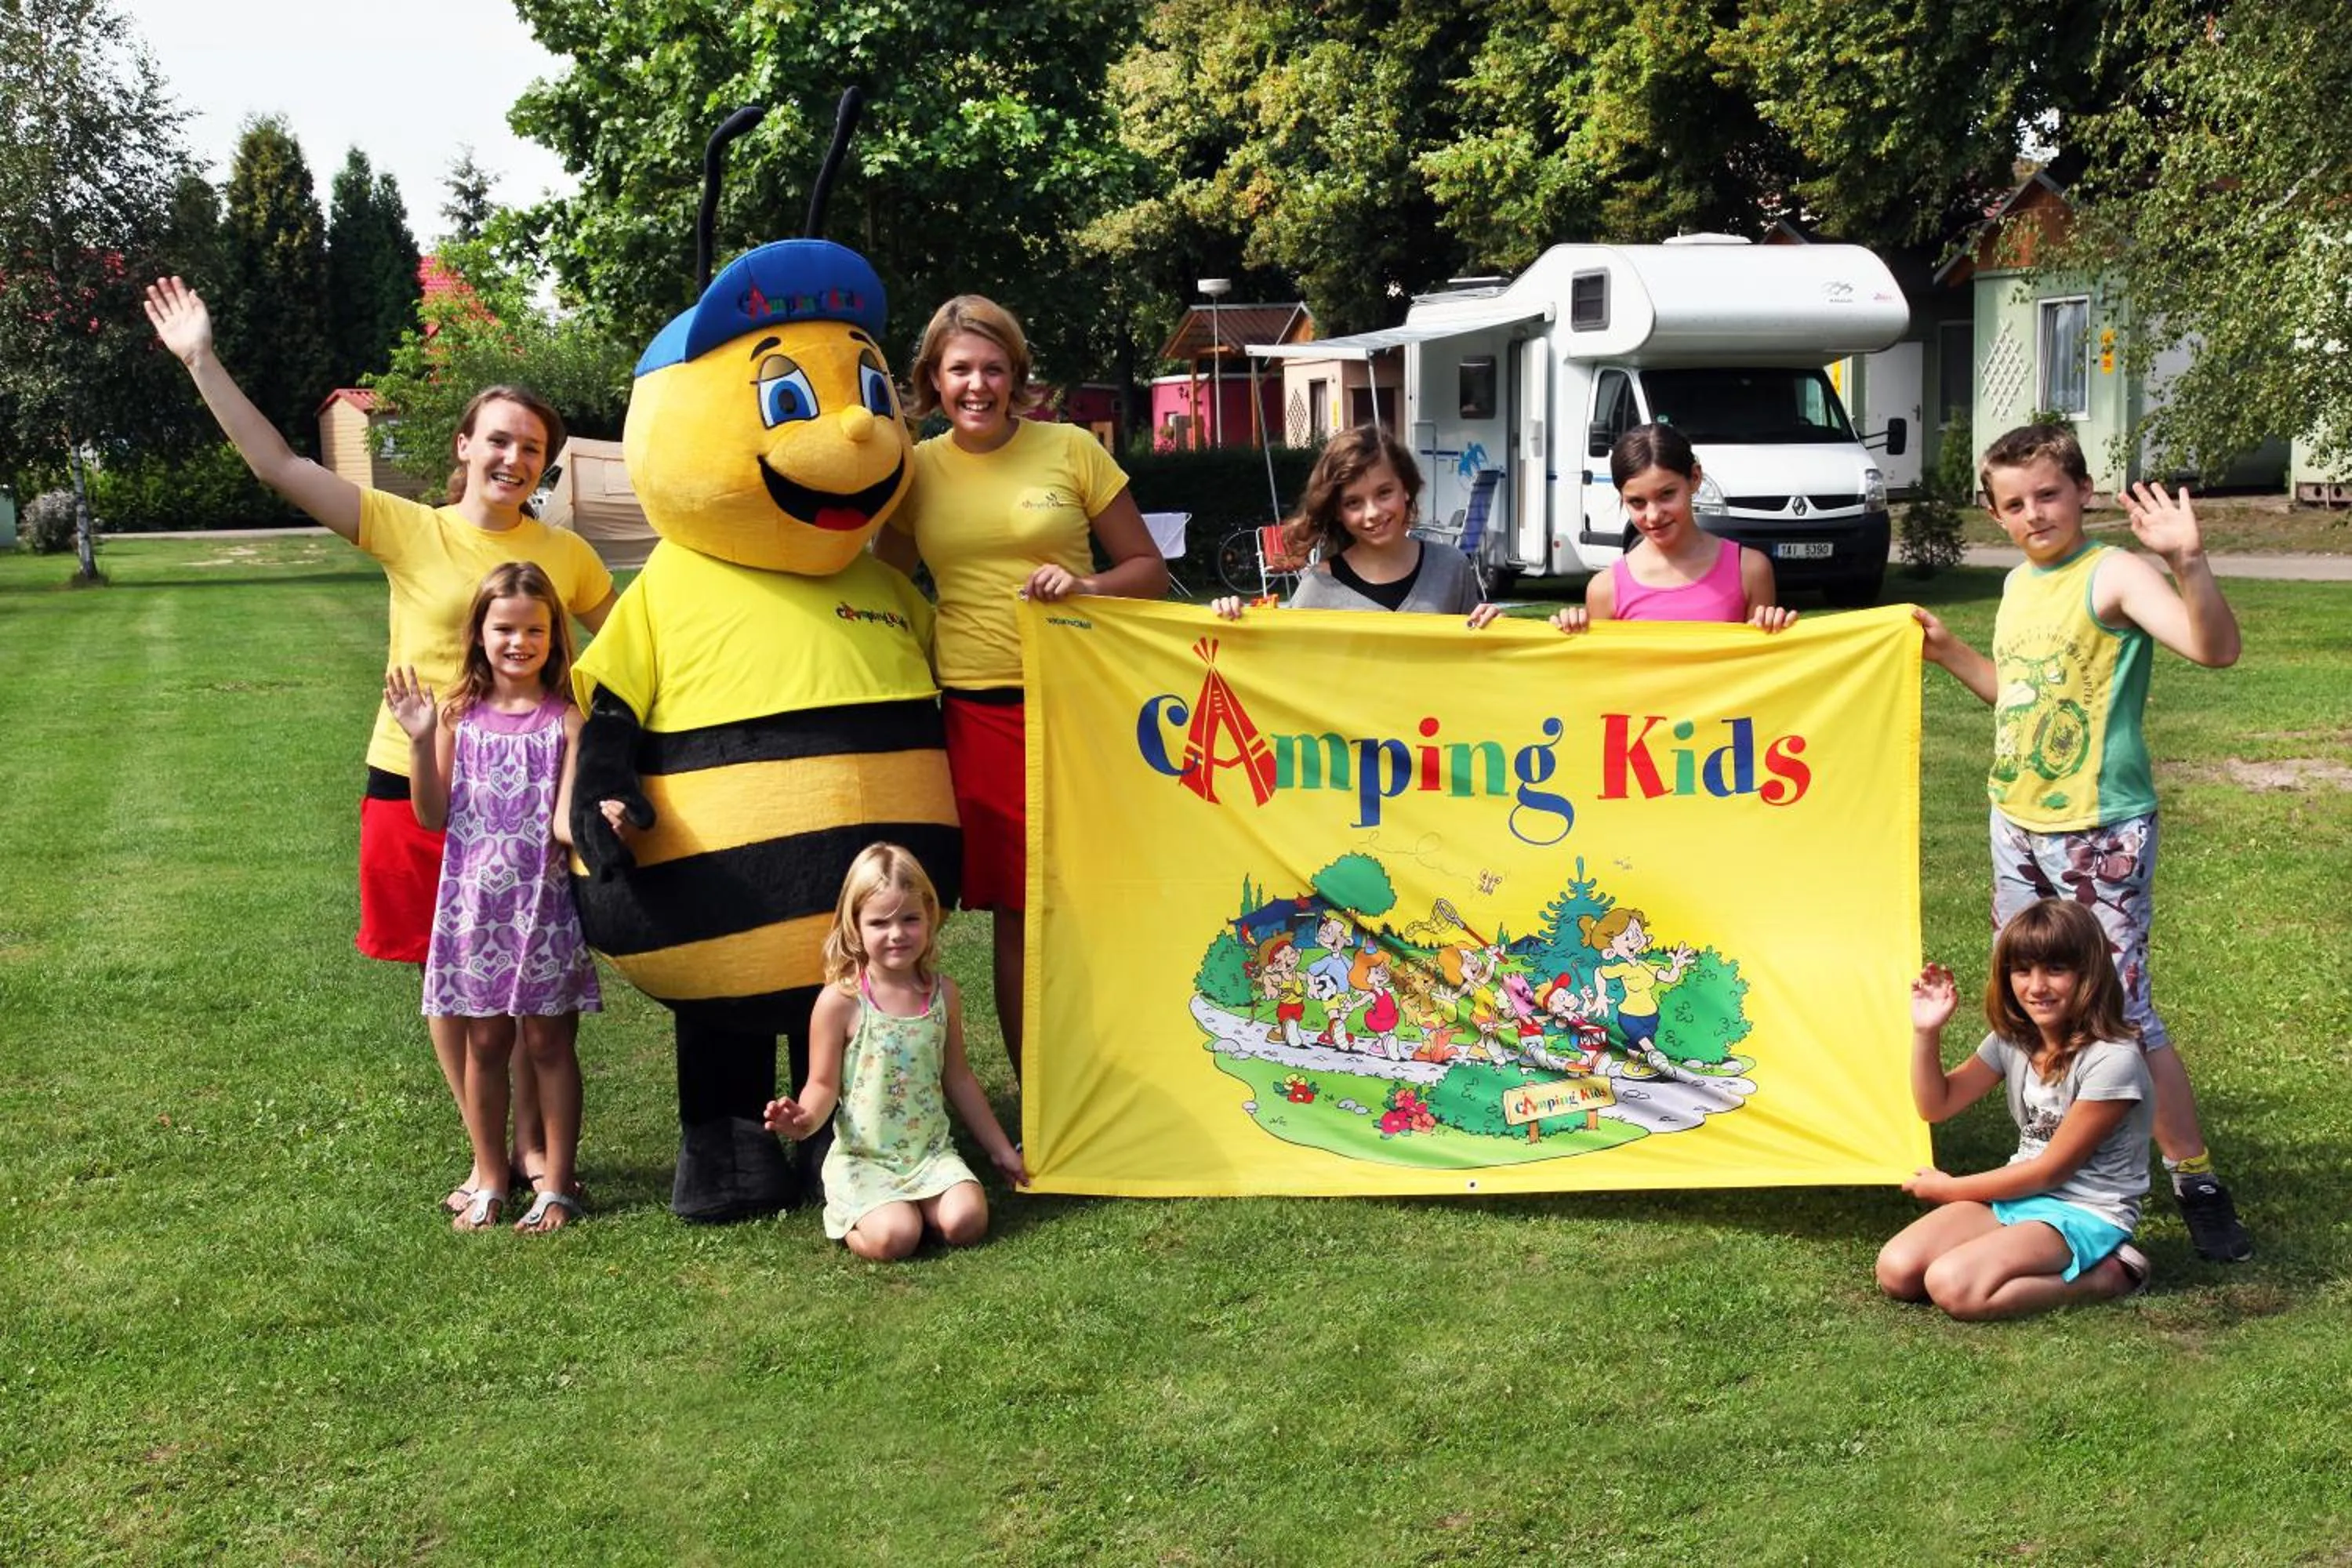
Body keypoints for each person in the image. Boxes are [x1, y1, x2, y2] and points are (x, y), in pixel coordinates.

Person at [143, 276, 617, 1214]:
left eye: (531, 447)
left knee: (529, 977)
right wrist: (202, 359)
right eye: (498, 440)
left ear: (545, 464)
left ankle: (532, 1144)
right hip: (416, 779)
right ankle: (493, 1149)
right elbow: (279, 463)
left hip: (524, 797)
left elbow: (637, 642)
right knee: (443, 973)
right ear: (464, 446)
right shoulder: (411, 528)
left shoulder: (568, 556)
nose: (513, 458)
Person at [1914, 422, 2250, 1263]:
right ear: (1996, 515)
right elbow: (2020, 700)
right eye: (2015, 503)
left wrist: (2189, 561)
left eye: (2049, 495)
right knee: (2031, 998)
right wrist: (1950, 650)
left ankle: (2194, 1176)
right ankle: (2055, 1159)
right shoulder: (2019, 587)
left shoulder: (2116, 573)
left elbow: (2216, 649)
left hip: (2100, 831)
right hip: (2016, 823)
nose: (2035, 514)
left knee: (2122, 1010)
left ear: (2083, 491)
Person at [875, 295, 1167, 1077]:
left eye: (993, 367)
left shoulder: (1071, 449)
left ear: (1016, 375)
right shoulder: (917, 470)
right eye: (960, 369)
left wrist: (1086, 586)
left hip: (1080, 702)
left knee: (1094, 901)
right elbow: (884, 583)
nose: (978, 384)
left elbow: (1150, 571)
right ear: (933, 380)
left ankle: (1128, 1078)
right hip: (978, 714)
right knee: (1018, 913)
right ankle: (1045, 1100)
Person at [386, 563, 601, 1232]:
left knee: (548, 1046)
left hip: (544, 908)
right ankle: (489, 1177)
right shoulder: (456, 716)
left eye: (534, 629)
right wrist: (422, 742)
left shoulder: (567, 721)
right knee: (484, 1044)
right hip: (473, 910)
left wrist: (602, 817)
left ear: (553, 636)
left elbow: (565, 823)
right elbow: (430, 814)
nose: (519, 641)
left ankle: (557, 1186)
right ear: (479, 633)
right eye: (504, 627)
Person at [1877, 900, 2156, 1319]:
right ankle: (2007, 1252)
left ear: (2089, 974)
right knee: (1897, 1271)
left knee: (1953, 1286)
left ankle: (2111, 1275)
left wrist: (1948, 1189)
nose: (2037, 986)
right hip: (2017, 1197)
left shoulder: (2113, 1059)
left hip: (2084, 1210)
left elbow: (2051, 1172)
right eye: (2023, 971)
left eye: (2055, 970)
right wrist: (1926, 1032)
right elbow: (1936, 1105)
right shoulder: (2014, 1040)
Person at [763, 844, 1029, 1261]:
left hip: (930, 1155)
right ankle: (864, 1212)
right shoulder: (841, 1001)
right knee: (895, 1238)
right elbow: (821, 1084)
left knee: (967, 1222)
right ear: (855, 927)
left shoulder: (944, 995)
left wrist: (999, 1149)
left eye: (910, 919)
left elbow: (958, 1078)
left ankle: (922, 1208)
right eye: (879, 922)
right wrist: (803, 1119)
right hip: (865, 1159)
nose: (897, 934)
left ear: (929, 917)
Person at [1210, 424, 1501, 624]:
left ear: (1406, 489)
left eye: (1384, 493)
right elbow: (1285, 672)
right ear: (1337, 511)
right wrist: (1234, 625)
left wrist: (1497, 630)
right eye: (1354, 503)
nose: (1373, 512)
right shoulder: (1317, 588)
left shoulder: (1451, 567)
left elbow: (1478, 663)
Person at [1551, 423, 1796, 633]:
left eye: (1667, 494)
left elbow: (1761, 672)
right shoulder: (1604, 589)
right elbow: (1602, 676)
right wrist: (1574, 635)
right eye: (1637, 502)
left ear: (1695, 479)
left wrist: (1772, 631)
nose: (1654, 515)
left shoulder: (1750, 570)